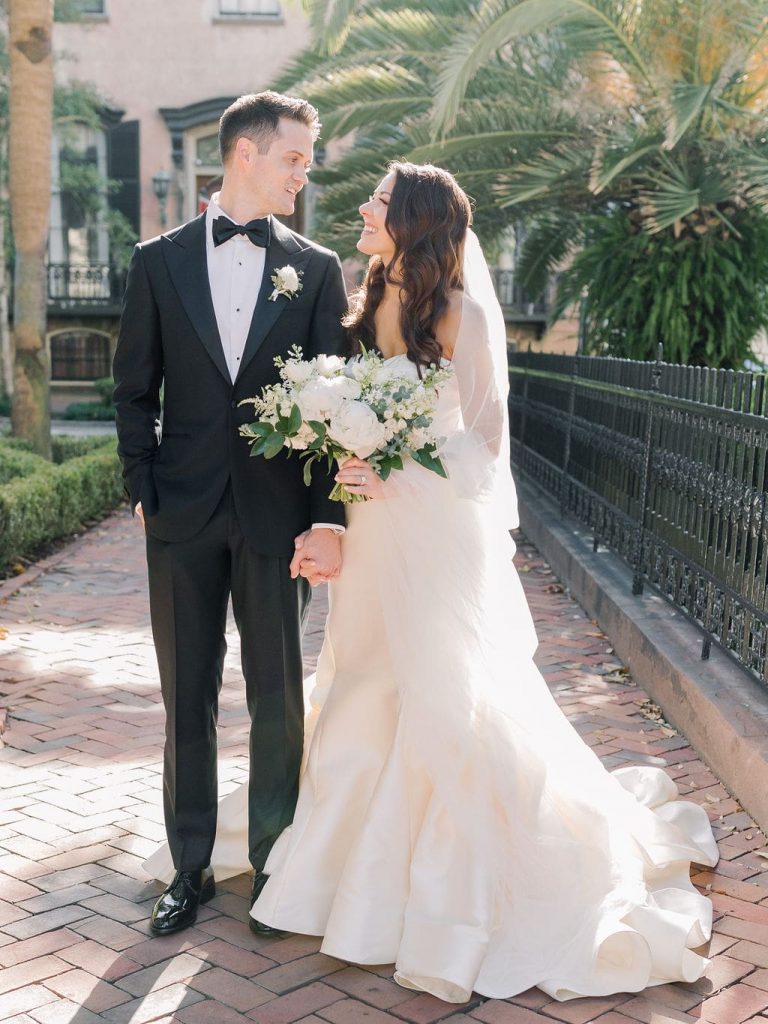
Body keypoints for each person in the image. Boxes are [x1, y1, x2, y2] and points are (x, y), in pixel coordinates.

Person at [144, 161, 719, 1003]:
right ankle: (338, 860)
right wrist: (344, 466)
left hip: (434, 522)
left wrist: (394, 467)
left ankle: (450, 889)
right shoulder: (366, 294)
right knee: (363, 673)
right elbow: (340, 396)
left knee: (441, 687)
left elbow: (485, 440)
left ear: (415, 219)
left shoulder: (462, 311)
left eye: (379, 201)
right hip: (372, 525)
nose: (363, 209)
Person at [114, 91, 348, 938]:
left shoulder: (317, 268)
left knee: (279, 696)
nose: (304, 172)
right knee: (188, 697)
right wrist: (141, 487)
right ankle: (189, 868)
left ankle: (277, 869)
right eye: (294, 156)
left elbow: (335, 407)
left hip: (279, 518)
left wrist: (327, 518)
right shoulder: (158, 260)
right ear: (245, 154)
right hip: (181, 514)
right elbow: (134, 387)